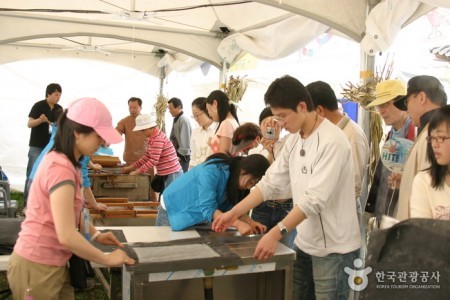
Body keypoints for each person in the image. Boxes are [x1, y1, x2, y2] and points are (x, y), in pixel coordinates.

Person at [212, 75, 360, 299]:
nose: (279, 123)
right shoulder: (293, 139)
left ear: (302, 106)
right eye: (276, 116)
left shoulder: (333, 141)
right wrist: (234, 213)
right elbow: (270, 183)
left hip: (335, 249)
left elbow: (314, 199)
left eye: (283, 116)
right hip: (305, 242)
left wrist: (276, 233)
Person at [8, 98, 135, 300]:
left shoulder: (71, 163)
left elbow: (74, 211)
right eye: (98, 136)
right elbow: (66, 234)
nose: (102, 142)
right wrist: (106, 258)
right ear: (77, 133)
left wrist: (94, 235)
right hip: (37, 266)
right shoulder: (61, 169)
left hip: (52, 264)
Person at [307, 80, 369, 248]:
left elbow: (353, 183)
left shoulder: (352, 134)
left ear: (319, 110)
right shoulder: (327, 133)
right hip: (324, 217)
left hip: (341, 216)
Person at [156, 153, 270, 234]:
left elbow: (232, 209)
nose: (249, 186)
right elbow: (209, 209)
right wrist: (238, 224)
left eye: (254, 184)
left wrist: (251, 222)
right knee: (168, 254)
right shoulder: (212, 171)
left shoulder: (236, 182)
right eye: (250, 181)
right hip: (174, 209)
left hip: (198, 216)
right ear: (243, 170)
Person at [391, 75, 447, 220]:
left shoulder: (432, 133)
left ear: (421, 97)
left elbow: (436, 186)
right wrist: (407, 181)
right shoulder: (429, 131)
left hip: (425, 234)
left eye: (407, 101)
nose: (407, 111)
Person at [365, 79, 415, 217]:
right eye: (379, 106)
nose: (381, 111)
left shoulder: (417, 134)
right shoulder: (391, 134)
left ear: (402, 102)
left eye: (386, 105)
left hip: (403, 215)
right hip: (385, 213)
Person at [248, 107, 295, 248]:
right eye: (265, 124)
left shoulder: (290, 143)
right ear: (259, 127)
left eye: (274, 122)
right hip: (262, 206)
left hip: (288, 207)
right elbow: (261, 178)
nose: (270, 127)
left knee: (287, 250)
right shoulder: (254, 151)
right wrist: (269, 153)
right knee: (258, 247)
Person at [121, 113, 183, 192]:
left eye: (142, 131)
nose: (141, 133)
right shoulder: (151, 138)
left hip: (172, 173)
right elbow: (146, 157)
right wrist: (130, 168)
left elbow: (153, 160)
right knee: (165, 199)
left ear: (147, 128)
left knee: (170, 200)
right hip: (166, 173)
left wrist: (137, 171)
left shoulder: (157, 139)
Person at [24, 83, 63, 207]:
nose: (58, 97)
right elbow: (29, 124)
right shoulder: (38, 105)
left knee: (48, 175)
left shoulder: (59, 108)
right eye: (56, 94)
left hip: (51, 148)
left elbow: (61, 126)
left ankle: (43, 204)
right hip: (36, 146)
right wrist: (40, 120)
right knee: (32, 174)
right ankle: (27, 204)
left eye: (60, 95)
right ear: (49, 94)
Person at [410, 105, 450, 220]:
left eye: (441, 137)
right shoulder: (424, 181)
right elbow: (421, 233)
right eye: (432, 138)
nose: (435, 144)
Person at [205, 90, 240, 155]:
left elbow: (224, 156)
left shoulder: (226, 123)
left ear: (215, 104)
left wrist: (212, 144)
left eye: (208, 110)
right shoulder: (232, 121)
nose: (209, 114)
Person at [115, 97, 147, 166]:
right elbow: (116, 132)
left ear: (140, 107)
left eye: (135, 107)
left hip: (146, 159)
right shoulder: (124, 121)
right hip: (130, 159)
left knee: (146, 176)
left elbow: (156, 137)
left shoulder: (147, 121)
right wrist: (108, 141)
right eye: (130, 108)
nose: (132, 110)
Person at [190, 97, 218, 168]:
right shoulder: (195, 132)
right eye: (194, 116)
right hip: (197, 171)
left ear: (206, 111)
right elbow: (193, 157)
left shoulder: (218, 129)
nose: (196, 119)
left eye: (197, 115)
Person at [168, 97, 192, 172]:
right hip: (176, 155)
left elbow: (185, 143)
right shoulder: (177, 118)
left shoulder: (183, 119)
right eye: (169, 109)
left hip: (182, 157)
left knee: (180, 178)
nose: (169, 111)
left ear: (179, 107)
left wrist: (178, 156)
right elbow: (173, 137)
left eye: (171, 109)